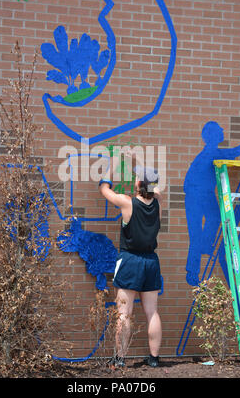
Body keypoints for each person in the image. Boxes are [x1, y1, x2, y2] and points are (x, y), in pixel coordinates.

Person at [99, 153, 163, 368]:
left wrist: (117, 161)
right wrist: (140, 167)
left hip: (130, 261)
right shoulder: (158, 203)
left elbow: (104, 189)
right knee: (152, 311)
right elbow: (151, 186)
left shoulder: (128, 203)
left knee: (124, 313)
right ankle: (154, 359)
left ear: (138, 183)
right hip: (151, 262)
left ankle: (119, 358)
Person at [184, 121, 240, 287]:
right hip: (196, 195)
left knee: (213, 218)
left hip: (202, 193)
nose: (223, 130)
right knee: (197, 231)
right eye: (219, 129)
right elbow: (237, 151)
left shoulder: (211, 152)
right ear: (212, 135)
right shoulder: (211, 152)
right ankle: (192, 270)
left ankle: (202, 249)